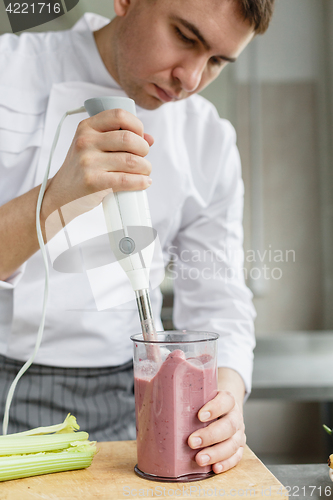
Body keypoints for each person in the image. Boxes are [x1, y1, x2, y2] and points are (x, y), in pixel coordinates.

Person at [0, 0, 274, 474]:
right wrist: (55, 199)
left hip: (133, 402)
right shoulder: (9, 71)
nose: (190, 78)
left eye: (217, 61)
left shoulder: (207, 138)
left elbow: (218, 299)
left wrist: (224, 399)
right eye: (185, 37)